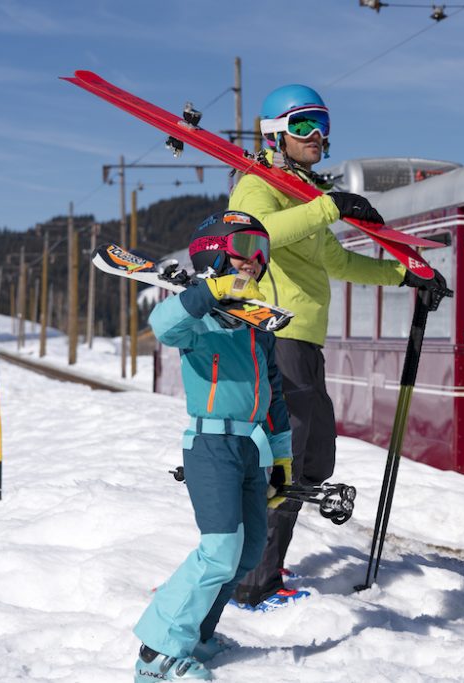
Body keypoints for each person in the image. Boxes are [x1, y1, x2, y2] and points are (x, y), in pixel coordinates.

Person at [227, 84, 448, 610]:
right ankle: (253, 581)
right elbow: (255, 234)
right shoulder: (258, 185)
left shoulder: (302, 189)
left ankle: (261, 567)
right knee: (288, 459)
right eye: (304, 124)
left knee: (310, 460)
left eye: (323, 123)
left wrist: (406, 276)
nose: (318, 135)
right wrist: (326, 206)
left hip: (303, 342)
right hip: (274, 335)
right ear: (274, 132)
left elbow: (337, 263)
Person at [133, 210, 293, 681]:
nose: (256, 262)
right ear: (213, 252)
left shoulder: (254, 323)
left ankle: (197, 636)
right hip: (210, 445)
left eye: (262, 254)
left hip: (251, 448)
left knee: (246, 554)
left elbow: (275, 395)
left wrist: (282, 456)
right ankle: (156, 654)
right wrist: (208, 294)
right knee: (220, 550)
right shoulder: (196, 317)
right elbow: (162, 326)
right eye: (246, 250)